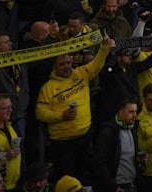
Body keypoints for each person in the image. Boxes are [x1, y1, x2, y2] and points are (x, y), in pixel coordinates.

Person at [34, 35, 114, 182]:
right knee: (66, 178)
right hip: (62, 143)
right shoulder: (48, 88)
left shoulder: (80, 73)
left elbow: (97, 64)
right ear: (54, 66)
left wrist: (103, 48)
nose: (66, 66)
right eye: (62, 64)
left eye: (68, 63)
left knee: (83, 175)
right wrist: (61, 115)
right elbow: (40, 113)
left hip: (84, 137)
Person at [93, 99, 140, 192]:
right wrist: (112, 186)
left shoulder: (133, 129)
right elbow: (99, 163)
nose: (135, 115)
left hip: (132, 184)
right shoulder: (108, 133)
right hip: (117, 187)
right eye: (131, 112)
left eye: (135, 111)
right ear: (120, 112)